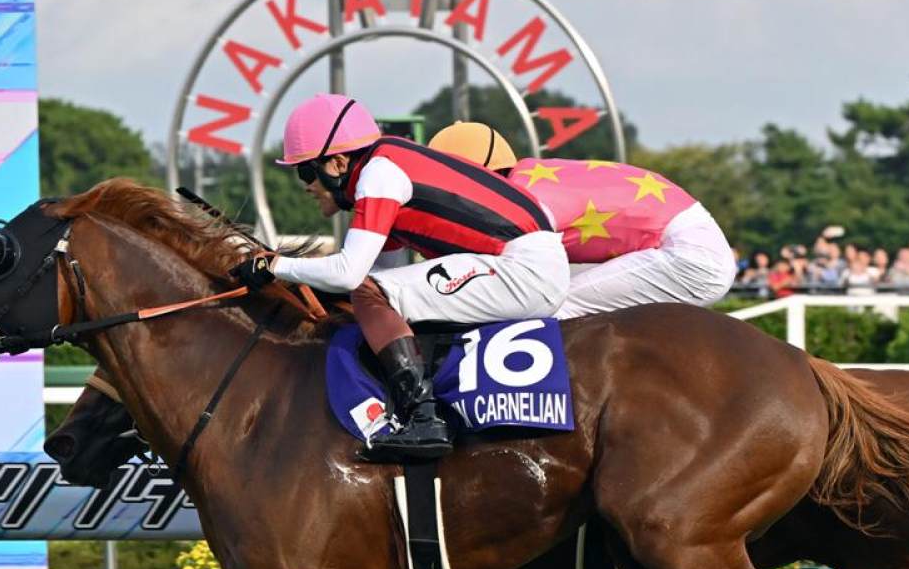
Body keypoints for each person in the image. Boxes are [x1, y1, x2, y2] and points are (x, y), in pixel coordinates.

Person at [243, 96, 569, 461]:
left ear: (337, 163)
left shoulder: (379, 174)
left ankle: (423, 418)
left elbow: (353, 277)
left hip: (525, 269)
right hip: (532, 262)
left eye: (305, 171)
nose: (305, 185)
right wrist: (302, 282)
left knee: (368, 294)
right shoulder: (392, 164)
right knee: (375, 295)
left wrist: (276, 267)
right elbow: (381, 274)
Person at [427, 122, 737, 320]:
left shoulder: (525, 198)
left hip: (691, 256)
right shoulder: (530, 177)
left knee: (545, 306)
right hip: (688, 242)